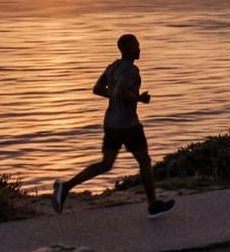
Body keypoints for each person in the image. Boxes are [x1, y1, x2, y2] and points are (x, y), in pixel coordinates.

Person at [52, 34, 175, 218]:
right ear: (127, 49)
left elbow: (98, 89)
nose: (139, 49)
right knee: (145, 162)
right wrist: (138, 99)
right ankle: (153, 205)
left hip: (111, 125)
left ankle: (66, 186)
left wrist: (117, 99)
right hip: (129, 126)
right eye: (136, 46)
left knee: (106, 164)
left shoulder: (112, 67)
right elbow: (119, 91)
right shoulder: (131, 69)